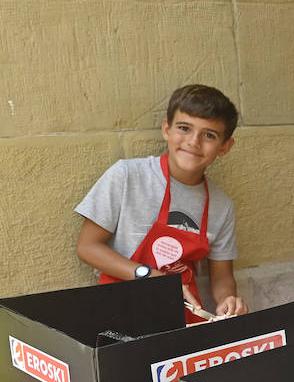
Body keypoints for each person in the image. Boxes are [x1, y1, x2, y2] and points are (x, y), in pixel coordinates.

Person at [76, 84, 247, 322]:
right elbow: (87, 247)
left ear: (224, 147)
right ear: (166, 129)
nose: (194, 142)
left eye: (209, 135)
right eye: (184, 128)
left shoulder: (222, 206)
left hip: (182, 317)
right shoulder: (127, 176)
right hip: (120, 313)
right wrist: (151, 277)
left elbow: (221, 276)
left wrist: (227, 299)